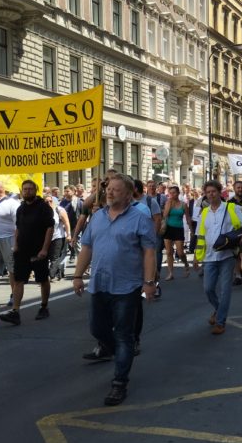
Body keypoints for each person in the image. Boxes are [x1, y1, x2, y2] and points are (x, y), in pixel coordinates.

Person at [73, 174, 157, 406]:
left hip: (127, 287)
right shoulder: (98, 217)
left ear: (129, 195)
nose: (109, 193)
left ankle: (119, 382)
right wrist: (78, 276)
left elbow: (149, 252)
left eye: (116, 190)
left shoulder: (140, 219)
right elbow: (87, 247)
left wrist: (149, 283)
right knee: (97, 329)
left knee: (123, 335)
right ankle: (116, 350)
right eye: (108, 189)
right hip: (99, 284)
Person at [193, 180, 242, 335]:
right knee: (208, 288)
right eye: (208, 192)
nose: (211, 195)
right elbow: (200, 236)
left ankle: (220, 321)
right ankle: (218, 310)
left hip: (227, 256)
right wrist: (197, 257)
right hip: (210, 257)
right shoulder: (204, 213)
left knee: (225, 290)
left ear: (220, 193)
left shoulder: (231, 208)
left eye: (213, 191)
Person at [0, 180, 54, 326]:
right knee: (18, 280)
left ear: (36, 190)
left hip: (38, 250)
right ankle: (15, 312)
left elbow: (50, 228)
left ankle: (44, 306)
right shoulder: (21, 208)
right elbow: (18, 228)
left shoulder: (44, 207)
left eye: (30, 189)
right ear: (21, 191)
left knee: (42, 279)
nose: (27, 191)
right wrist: (15, 244)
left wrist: (44, 249)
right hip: (22, 250)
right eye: (25, 189)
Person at [161, 185, 190, 280]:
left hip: (178, 228)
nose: (172, 195)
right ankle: (170, 273)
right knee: (169, 252)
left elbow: (188, 218)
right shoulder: (168, 202)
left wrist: (192, 230)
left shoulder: (183, 204)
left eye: (174, 193)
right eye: (170, 193)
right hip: (168, 228)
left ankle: (186, 264)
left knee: (180, 252)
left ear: (178, 193)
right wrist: (168, 206)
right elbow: (164, 216)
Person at [46, 195, 71, 281]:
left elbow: (67, 223)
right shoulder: (42, 211)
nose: (48, 203)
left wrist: (69, 235)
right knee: (48, 256)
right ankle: (59, 272)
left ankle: (51, 275)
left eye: (50, 201)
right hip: (46, 238)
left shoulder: (59, 210)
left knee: (55, 257)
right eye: (46, 202)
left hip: (58, 236)